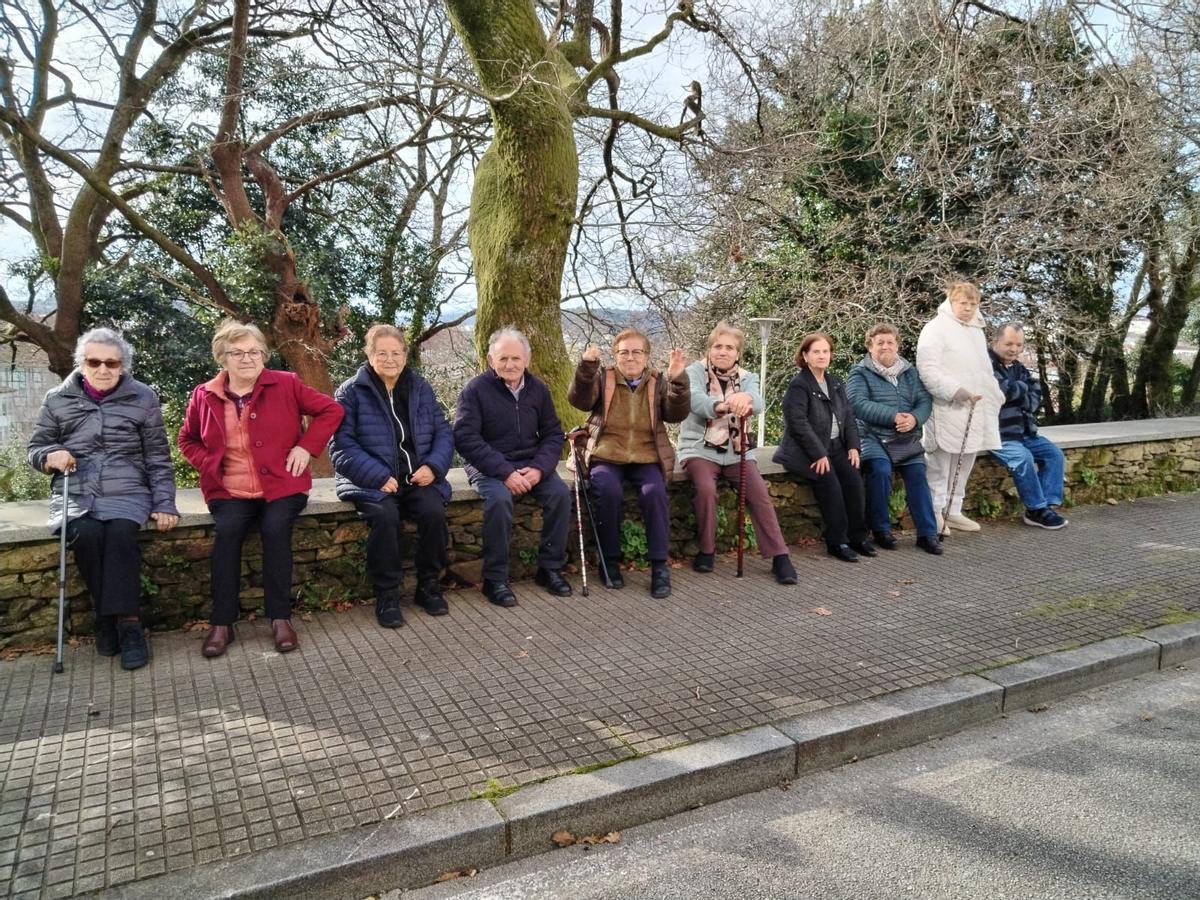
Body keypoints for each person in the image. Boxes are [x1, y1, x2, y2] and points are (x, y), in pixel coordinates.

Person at [179, 321, 343, 658]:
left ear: (264, 356)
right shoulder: (204, 394)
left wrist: (305, 447)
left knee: (275, 528)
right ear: (221, 358)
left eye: (254, 351)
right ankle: (222, 623)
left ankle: (280, 618)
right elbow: (187, 440)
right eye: (236, 353)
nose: (247, 358)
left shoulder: (286, 384)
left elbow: (331, 409)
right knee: (227, 534)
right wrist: (210, 464)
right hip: (228, 489)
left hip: (282, 486)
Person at [27, 328, 179, 670]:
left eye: (112, 362)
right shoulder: (57, 398)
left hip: (127, 490)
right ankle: (107, 619)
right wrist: (51, 454)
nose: (103, 368)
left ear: (123, 365)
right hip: (77, 490)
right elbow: (35, 449)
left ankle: (126, 626)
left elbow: (157, 456)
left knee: (121, 534)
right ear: (81, 363)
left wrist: (165, 503)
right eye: (94, 361)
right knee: (87, 535)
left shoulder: (143, 397)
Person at [330, 325, 454, 629]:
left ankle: (428, 586)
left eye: (395, 353)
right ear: (369, 355)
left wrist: (434, 468)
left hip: (417, 477)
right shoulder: (350, 392)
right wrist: (376, 476)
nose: (389, 359)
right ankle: (387, 594)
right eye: (381, 353)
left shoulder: (418, 387)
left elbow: (443, 433)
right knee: (385, 517)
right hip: (370, 481)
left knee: (434, 512)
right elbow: (340, 445)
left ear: (405, 354)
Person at [453, 328, 573, 608]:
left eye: (516, 358)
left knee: (560, 494)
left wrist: (540, 470)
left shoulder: (538, 390)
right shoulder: (475, 390)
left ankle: (550, 569)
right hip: (488, 465)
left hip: (531, 463)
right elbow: (465, 438)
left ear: (527, 360)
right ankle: (494, 579)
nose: (510, 364)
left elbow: (554, 434)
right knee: (499, 499)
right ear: (490, 359)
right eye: (503, 358)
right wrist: (505, 472)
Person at [569, 330, 690, 598]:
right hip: (607, 453)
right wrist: (587, 367)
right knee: (607, 491)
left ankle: (659, 567)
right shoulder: (604, 377)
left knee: (654, 493)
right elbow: (580, 400)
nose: (630, 357)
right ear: (615, 355)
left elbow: (675, 414)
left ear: (646, 356)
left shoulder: (658, 381)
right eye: (624, 352)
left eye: (637, 352)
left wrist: (678, 379)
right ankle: (609, 561)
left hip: (646, 455)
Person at [677, 321, 797, 583]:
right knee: (706, 490)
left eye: (729, 347)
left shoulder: (746, 376)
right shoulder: (694, 371)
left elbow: (759, 400)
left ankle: (780, 556)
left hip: (737, 449)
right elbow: (694, 399)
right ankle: (707, 549)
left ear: (738, 353)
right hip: (699, 448)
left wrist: (748, 400)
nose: (723, 351)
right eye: (718, 346)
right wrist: (721, 405)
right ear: (709, 350)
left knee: (759, 493)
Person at [774, 332, 872, 563]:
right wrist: (818, 453)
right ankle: (837, 542)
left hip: (837, 447)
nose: (821, 356)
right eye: (816, 351)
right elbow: (797, 423)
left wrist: (853, 447)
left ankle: (858, 537)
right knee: (831, 487)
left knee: (854, 482)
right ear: (805, 356)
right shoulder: (799, 385)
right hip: (806, 452)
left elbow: (848, 417)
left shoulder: (835, 382)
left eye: (825, 351)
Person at [916, 281, 1004, 533]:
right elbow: (928, 369)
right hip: (947, 406)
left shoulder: (976, 331)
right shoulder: (935, 329)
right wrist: (955, 391)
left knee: (965, 460)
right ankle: (935, 512)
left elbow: (984, 369)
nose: (967, 308)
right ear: (951, 302)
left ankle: (954, 510)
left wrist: (995, 393)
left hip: (976, 408)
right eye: (962, 303)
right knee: (940, 462)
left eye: (972, 303)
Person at [846, 323, 943, 556]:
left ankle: (927, 534)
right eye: (879, 343)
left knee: (918, 474)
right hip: (872, 436)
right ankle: (880, 529)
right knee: (879, 470)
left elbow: (924, 401)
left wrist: (913, 419)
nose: (885, 346)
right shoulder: (859, 372)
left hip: (905, 438)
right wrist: (893, 416)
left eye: (890, 342)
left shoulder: (910, 372)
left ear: (897, 345)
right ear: (870, 347)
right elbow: (857, 403)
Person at [989, 323, 1068, 529]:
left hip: (1025, 433)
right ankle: (1036, 509)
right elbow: (1000, 393)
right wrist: (1020, 390)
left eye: (1018, 345)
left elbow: (1034, 399)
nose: (1014, 349)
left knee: (1054, 454)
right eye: (1009, 343)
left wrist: (1017, 391)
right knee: (1023, 458)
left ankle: (1047, 505)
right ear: (995, 341)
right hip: (999, 434)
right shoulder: (985, 365)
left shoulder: (1018, 367)